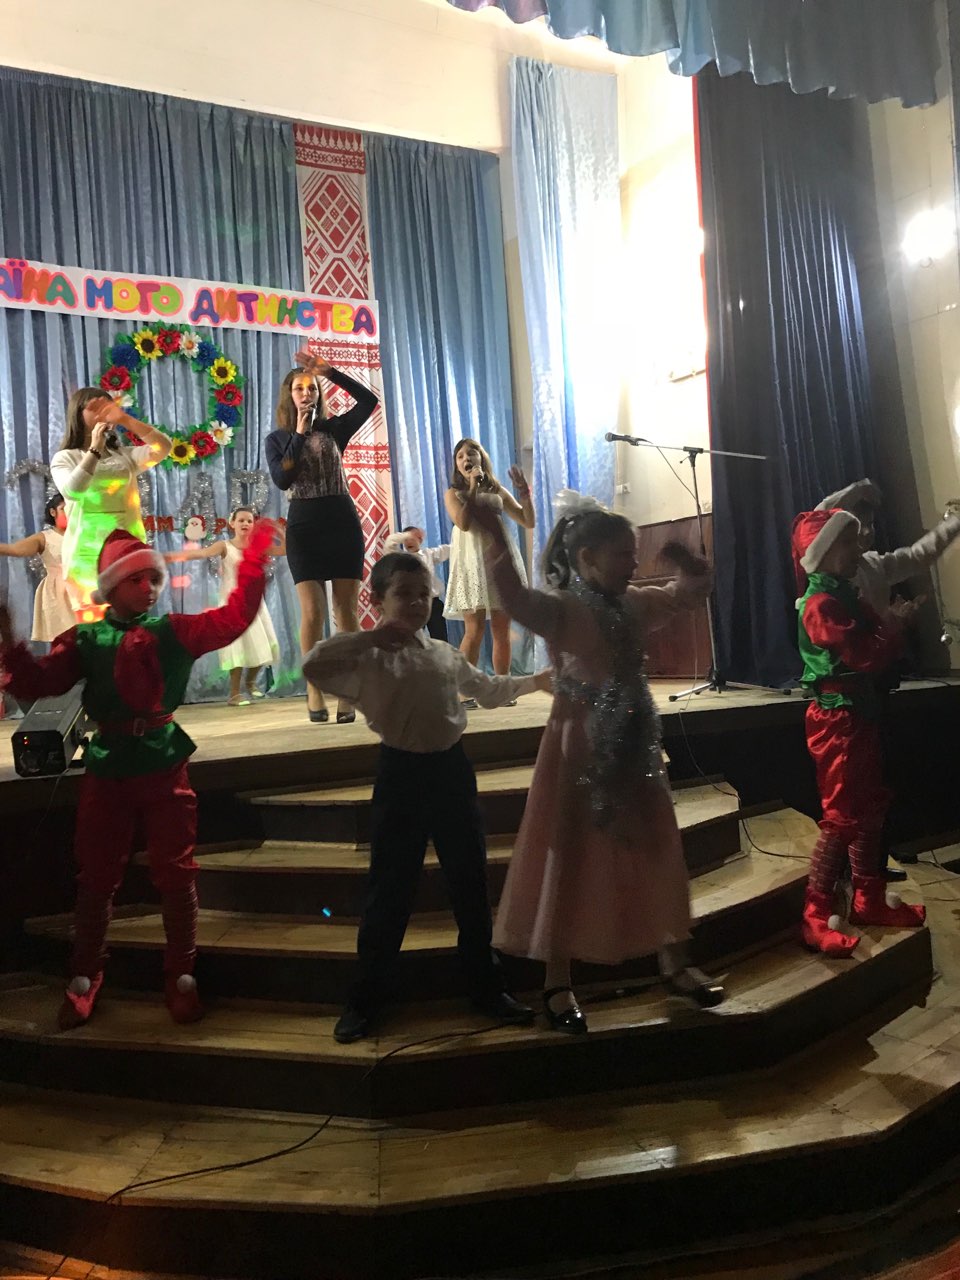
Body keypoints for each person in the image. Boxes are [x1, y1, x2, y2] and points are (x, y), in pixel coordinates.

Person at [0, 518, 277, 1030]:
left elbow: (233, 619)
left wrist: (254, 564)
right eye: (136, 579)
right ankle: (85, 975)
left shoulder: (172, 632)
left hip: (164, 762)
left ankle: (182, 974)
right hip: (109, 766)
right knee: (97, 876)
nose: (149, 588)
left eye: (153, 579)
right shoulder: (85, 639)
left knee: (177, 872)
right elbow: (39, 683)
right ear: (111, 586)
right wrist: (10, 643)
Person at [468, 488, 724, 1034]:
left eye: (634, 553)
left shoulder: (634, 603)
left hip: (633, 742)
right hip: (577, 746)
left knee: (656, 842)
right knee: (571, 851)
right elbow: (513, 597)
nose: (633, 563)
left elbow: (686, 595)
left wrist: (690, 565)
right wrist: (494, 535)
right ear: (585, 558)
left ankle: (674, 961)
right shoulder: (563, 609)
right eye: (622, 554)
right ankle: (557, 981)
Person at [303, 551, 551, 1043]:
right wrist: (369, 637)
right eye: (404, 594)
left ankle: (486, 987)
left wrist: (536, 682)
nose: (417, 603)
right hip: (401, 775)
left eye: (424, 594)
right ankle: (365, 999)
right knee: (389, 889)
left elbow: (488, 689)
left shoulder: (443, 652)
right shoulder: (367, 655)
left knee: (470, 883)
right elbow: (314, 665)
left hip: (452, 772)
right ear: (377, 599)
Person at [791, 508, 927, 956]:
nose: (859, 549)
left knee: (868, 807)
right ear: (824, 550)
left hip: (858, 712)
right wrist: (893, 626)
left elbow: (874, 642)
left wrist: (893, 623)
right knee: (842, 816)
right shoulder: (820, 604)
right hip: (837, 720)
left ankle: (868, 897)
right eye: (849, 542)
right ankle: (815, 913)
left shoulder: (843, 595)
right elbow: (862, 655)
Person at [816, 479, 960, 879]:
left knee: (876, 778)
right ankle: (838, 876)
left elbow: (920, 554)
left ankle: (872, 869)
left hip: (876, 679)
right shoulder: (826, 570)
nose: (866, 532)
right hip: (842, 690)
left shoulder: (875, 565)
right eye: (857, 526)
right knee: (846, 785)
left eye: (871, 525)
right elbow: (821, 514)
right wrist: (857, 490)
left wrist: (954, 524)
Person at [265, 351, 378, 725]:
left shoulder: (334, 430)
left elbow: (369, 401)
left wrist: (330, 372)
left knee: (345, 611)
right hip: (304, 527)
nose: (306, 393)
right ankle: (314, 687)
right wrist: (299, 433)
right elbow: (284, 479)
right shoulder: (277, 439)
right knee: (313, 612)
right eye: (299, 388)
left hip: (341, 522)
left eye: (311, 387)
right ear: (289, 395)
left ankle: (347, 689)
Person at [50, 389, 172, 618]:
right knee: (95, 628)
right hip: (87, 555)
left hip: (127, 551)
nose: (103, 413)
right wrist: (94, 449)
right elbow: (73, 491)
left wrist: (125, 420)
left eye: (108, 407)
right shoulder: (66, 457)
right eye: (95, 408)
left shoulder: (123, 455)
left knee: (132, 625)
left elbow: (163, 447)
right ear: (78, 414)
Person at [164, 506, 282, 705]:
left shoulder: (257, 547)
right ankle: (234, 694)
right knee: (237, 647)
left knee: (264, 644)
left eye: (250, 521)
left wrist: (279, 531)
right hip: (232, 602)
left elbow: (285, 550)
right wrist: (173, 556)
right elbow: (202, 553)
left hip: (254, 603)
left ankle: (251, 681)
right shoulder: (224, 546)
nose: (245, 524)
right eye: (241, 520)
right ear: (232, 523)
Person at [443, 439, 534, 691]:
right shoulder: (453, 493)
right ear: (457, 465)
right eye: (460, 456)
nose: (466, 459)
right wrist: (473, 487)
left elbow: (527, 520)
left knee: (501, 630)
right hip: (471, 563)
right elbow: (463, 523)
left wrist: (524, 494)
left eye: (471, 453)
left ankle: (502, 687)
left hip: (499, 560)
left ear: (481, 458)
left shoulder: (497, 490)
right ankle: (465, 690)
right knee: (474, 630)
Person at [0, 492, 74, 642]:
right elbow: (15, 549)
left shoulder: (82, 534)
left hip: (84, 589)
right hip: (58, 594)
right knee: (65, 640)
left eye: (71, 509)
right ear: (53, 512)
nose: (68, 513)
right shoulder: (45, 537)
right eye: (63, 509)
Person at [383, 525, 450, 641]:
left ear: (420, 540)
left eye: (413, 539)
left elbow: (450, 549)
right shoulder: (401, 557)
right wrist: (407, 535)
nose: (409, 542)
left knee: (440, 638)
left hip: (433, 603)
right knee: (412, 638)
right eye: (406, 540)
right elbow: (389, 544)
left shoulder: (429, 554)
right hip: (411, 604)